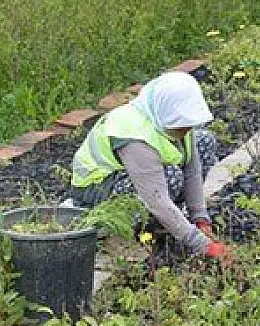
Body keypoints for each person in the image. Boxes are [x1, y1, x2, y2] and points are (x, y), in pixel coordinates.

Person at [69, 71, 232, 261]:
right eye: (182, 125)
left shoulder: (169, 120)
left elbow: (192, 170)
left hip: (141, 180)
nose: (186, 129)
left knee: (205, 140)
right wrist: (203, 245)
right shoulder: (132, 134)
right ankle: (121, 231)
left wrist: (200, 219)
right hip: (97, 192)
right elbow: (157, 200)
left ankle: (169, 221)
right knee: (171, 177)